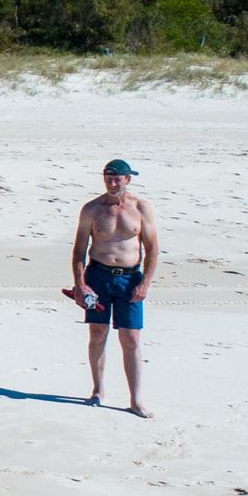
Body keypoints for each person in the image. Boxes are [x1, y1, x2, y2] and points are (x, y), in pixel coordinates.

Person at [62, 158, 159, 418]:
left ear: (128, 179)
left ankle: (136, 400)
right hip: (98, 276)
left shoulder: (141, 207)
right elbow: (79, 250)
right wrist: (80, 285)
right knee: (97, 333)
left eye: (117, 178)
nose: (112, 182)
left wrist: (145, 282)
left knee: (131, 337)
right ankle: (97, 390)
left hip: (130, 279)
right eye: (108, 177)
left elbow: (151, 248)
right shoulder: (92, 209)